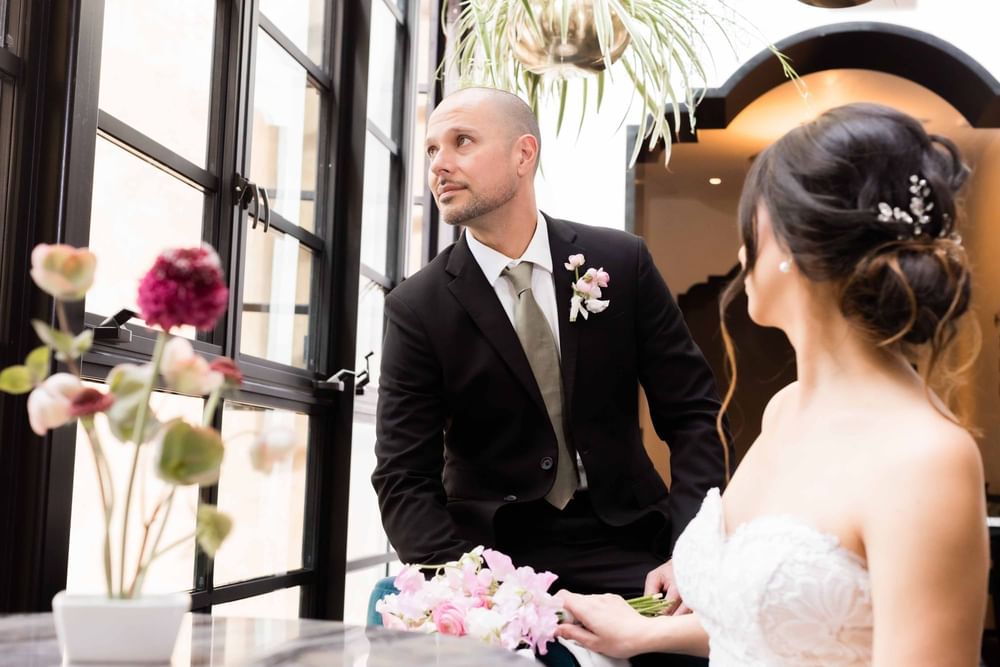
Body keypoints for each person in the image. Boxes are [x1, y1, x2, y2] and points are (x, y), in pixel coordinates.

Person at [555, 102, 989, 666]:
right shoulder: (785, 410)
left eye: (751, 226)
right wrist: (645, 634)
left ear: (792, 245)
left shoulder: (926, 458)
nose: (740, 253)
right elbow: (780, 622)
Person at [371, 87, 728, 663]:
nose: (439, 163)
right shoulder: (417, 307)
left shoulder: (622, 263)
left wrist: (692, 551)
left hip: (635, 544)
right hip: (494, 557)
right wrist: (480, 589)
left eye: (462, 141)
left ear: (524, 153)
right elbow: (403, 479)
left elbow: (692, 416)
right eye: (433, 148)